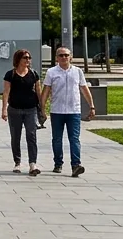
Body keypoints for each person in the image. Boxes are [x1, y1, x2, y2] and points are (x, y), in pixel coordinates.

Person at [41, 47, 96, 177]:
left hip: (74, 111)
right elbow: (46, 91)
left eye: (66, 55)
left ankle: (75, 165)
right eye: (61, 55)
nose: (64, 57)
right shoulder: (51, 72)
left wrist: (91, 106)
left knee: (74, 139)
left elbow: (84, 89)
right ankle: (58, 163)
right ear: (56, 58)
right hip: (57, 111)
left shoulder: (77, 71)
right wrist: (42, 109)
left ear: (70, 57)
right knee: (57, 139)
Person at [2, 48, 42, 176]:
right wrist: (4, 110)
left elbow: (39, 92)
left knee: (31, 135)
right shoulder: (10, 74)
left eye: (29, 58)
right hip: (14, 110)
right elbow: (6, 92)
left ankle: (32, 164)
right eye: (25, 57)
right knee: (16, 137)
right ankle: (17, 163)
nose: (28, 60)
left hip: (31, 109)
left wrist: (42, 109)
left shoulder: (34, 74)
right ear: (18, 59)